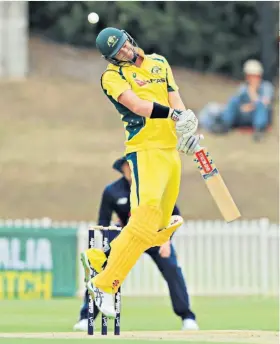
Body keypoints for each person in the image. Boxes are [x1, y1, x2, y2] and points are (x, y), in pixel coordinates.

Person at [81, 27, 203, 318]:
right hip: (145, 150)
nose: (124, 52)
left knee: (158, 232)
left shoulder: (159, 62)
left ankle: (100, 257)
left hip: (170, 152)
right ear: (110, 58)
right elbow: (137, 106)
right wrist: (175, 116)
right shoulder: (111, 77)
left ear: (128, 38)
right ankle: (104, 284)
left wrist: (186, 127)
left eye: (123, 45)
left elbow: (175, 98)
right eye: (116, 52)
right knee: (146, 216)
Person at [74, 157, 199, 331]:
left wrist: (167, 240)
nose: (132, 170)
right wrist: (114, 242)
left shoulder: (153, 189)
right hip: (129, 238)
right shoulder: (112, 191)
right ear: (123, 168)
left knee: (172, 269)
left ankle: (187, 316)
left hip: (155, 237)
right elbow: (104, 221)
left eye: (136, 166)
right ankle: (86, 317)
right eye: (129, 166)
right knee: (104, 269)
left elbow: (174, 214)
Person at [220, 59, 274, 141]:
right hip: (244, 115)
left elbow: (265, 103)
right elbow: (237, 103)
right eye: (249, 76)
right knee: (233, 100)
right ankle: (225, 125)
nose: (250, 78)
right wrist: (245, 107)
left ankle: (259, 131)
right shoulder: (243, 88)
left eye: (253, 76)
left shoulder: (267, 86)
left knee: (260, 105)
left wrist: (252, 91)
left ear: (259, 76)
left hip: (258, 117)